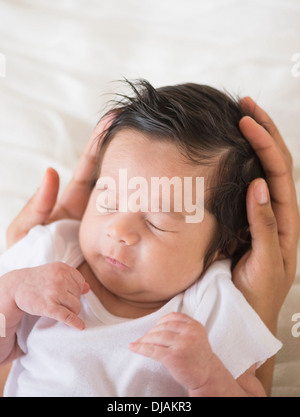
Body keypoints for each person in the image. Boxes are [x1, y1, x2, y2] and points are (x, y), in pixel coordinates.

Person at [0, 80, 299, 397]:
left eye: (157, 222)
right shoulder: (51, 249)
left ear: (224, 245)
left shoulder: (213, 302)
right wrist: (9, 294)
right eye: (108, 202)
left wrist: (209, 379)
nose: (119, 231)